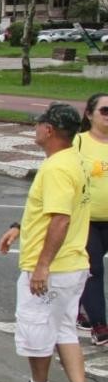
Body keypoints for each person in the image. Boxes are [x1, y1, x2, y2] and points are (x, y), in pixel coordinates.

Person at [0, 102, 95, 382]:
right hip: (74, 264)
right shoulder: (75, 161)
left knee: (36, 325)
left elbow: (60, 220)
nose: (35, 128)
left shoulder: (56, 168)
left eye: (39, 124)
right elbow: (48, 211)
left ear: (49, 130)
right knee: (65, 328)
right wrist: (19, 226)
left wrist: (42, 266)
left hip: (54, 268)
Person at [75, 93, 108, 346]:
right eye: (104, 111)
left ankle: (75, 307)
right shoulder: (78, 142)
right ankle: (100, 325)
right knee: (93, 269)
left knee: (83, 273)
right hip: (86, 219)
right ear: (89, 114)